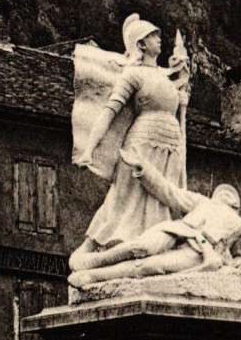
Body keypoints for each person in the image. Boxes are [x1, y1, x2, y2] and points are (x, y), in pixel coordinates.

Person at [71, 14, 189, 255]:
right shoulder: (133, 74)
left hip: (172, 143)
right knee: (124, 202)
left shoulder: (166, 77)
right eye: (152, 35)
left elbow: (178, 114)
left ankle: (156, 249)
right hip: (143, 142)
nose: (159, 38)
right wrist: (88, 150)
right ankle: (92, 247)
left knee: (164, 200)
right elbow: (109, 111)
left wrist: (182, 88)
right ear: (141, 44)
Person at [68, 145, 241, 288]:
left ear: (236, 207)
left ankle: (92, 276)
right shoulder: (203, 202)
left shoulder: (239, 225)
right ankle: (94, 262)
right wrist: (144, 169)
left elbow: (237, 254)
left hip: (197, 252)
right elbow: (169, 191)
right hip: (177, 230)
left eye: (231, 197)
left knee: (149, 266)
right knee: (140, 246)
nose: (227, 197)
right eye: (223, 193)